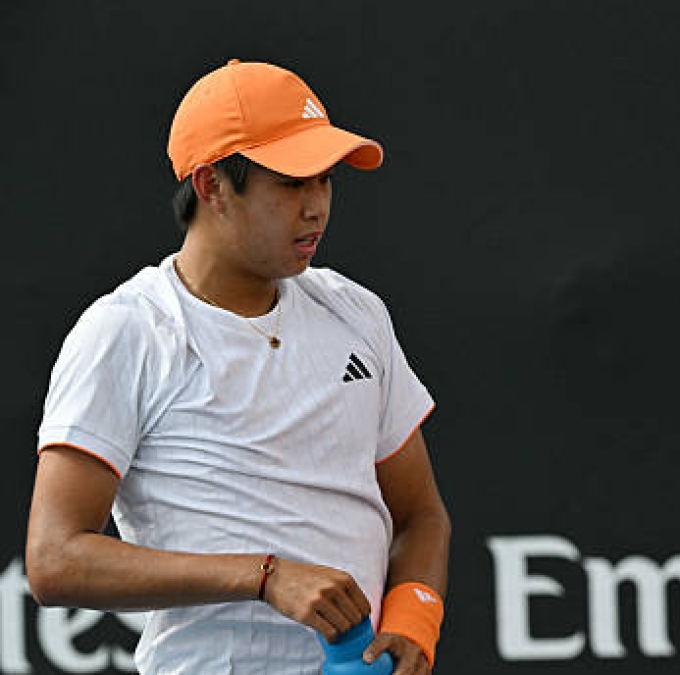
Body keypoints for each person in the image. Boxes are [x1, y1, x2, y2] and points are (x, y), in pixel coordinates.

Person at [25, 59, 451, 674]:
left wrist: (413, 623)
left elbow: (420, 515)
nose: (317, 207)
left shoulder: (357, 312)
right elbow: (55, 560)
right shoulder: (126, 330)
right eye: (293, 183)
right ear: (212, 186)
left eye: (325, 180)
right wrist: (264, 577)